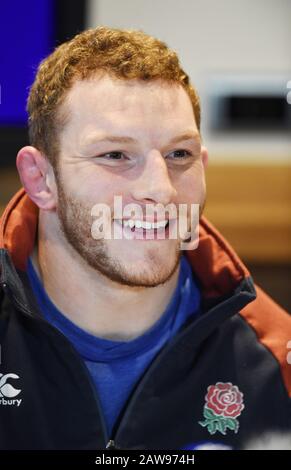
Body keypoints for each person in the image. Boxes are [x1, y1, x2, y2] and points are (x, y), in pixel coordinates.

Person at [0, 26, 290, 451]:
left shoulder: (278, 362)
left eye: (180, 155)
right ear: (40, 178)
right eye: (115, 155)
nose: (162, 189)